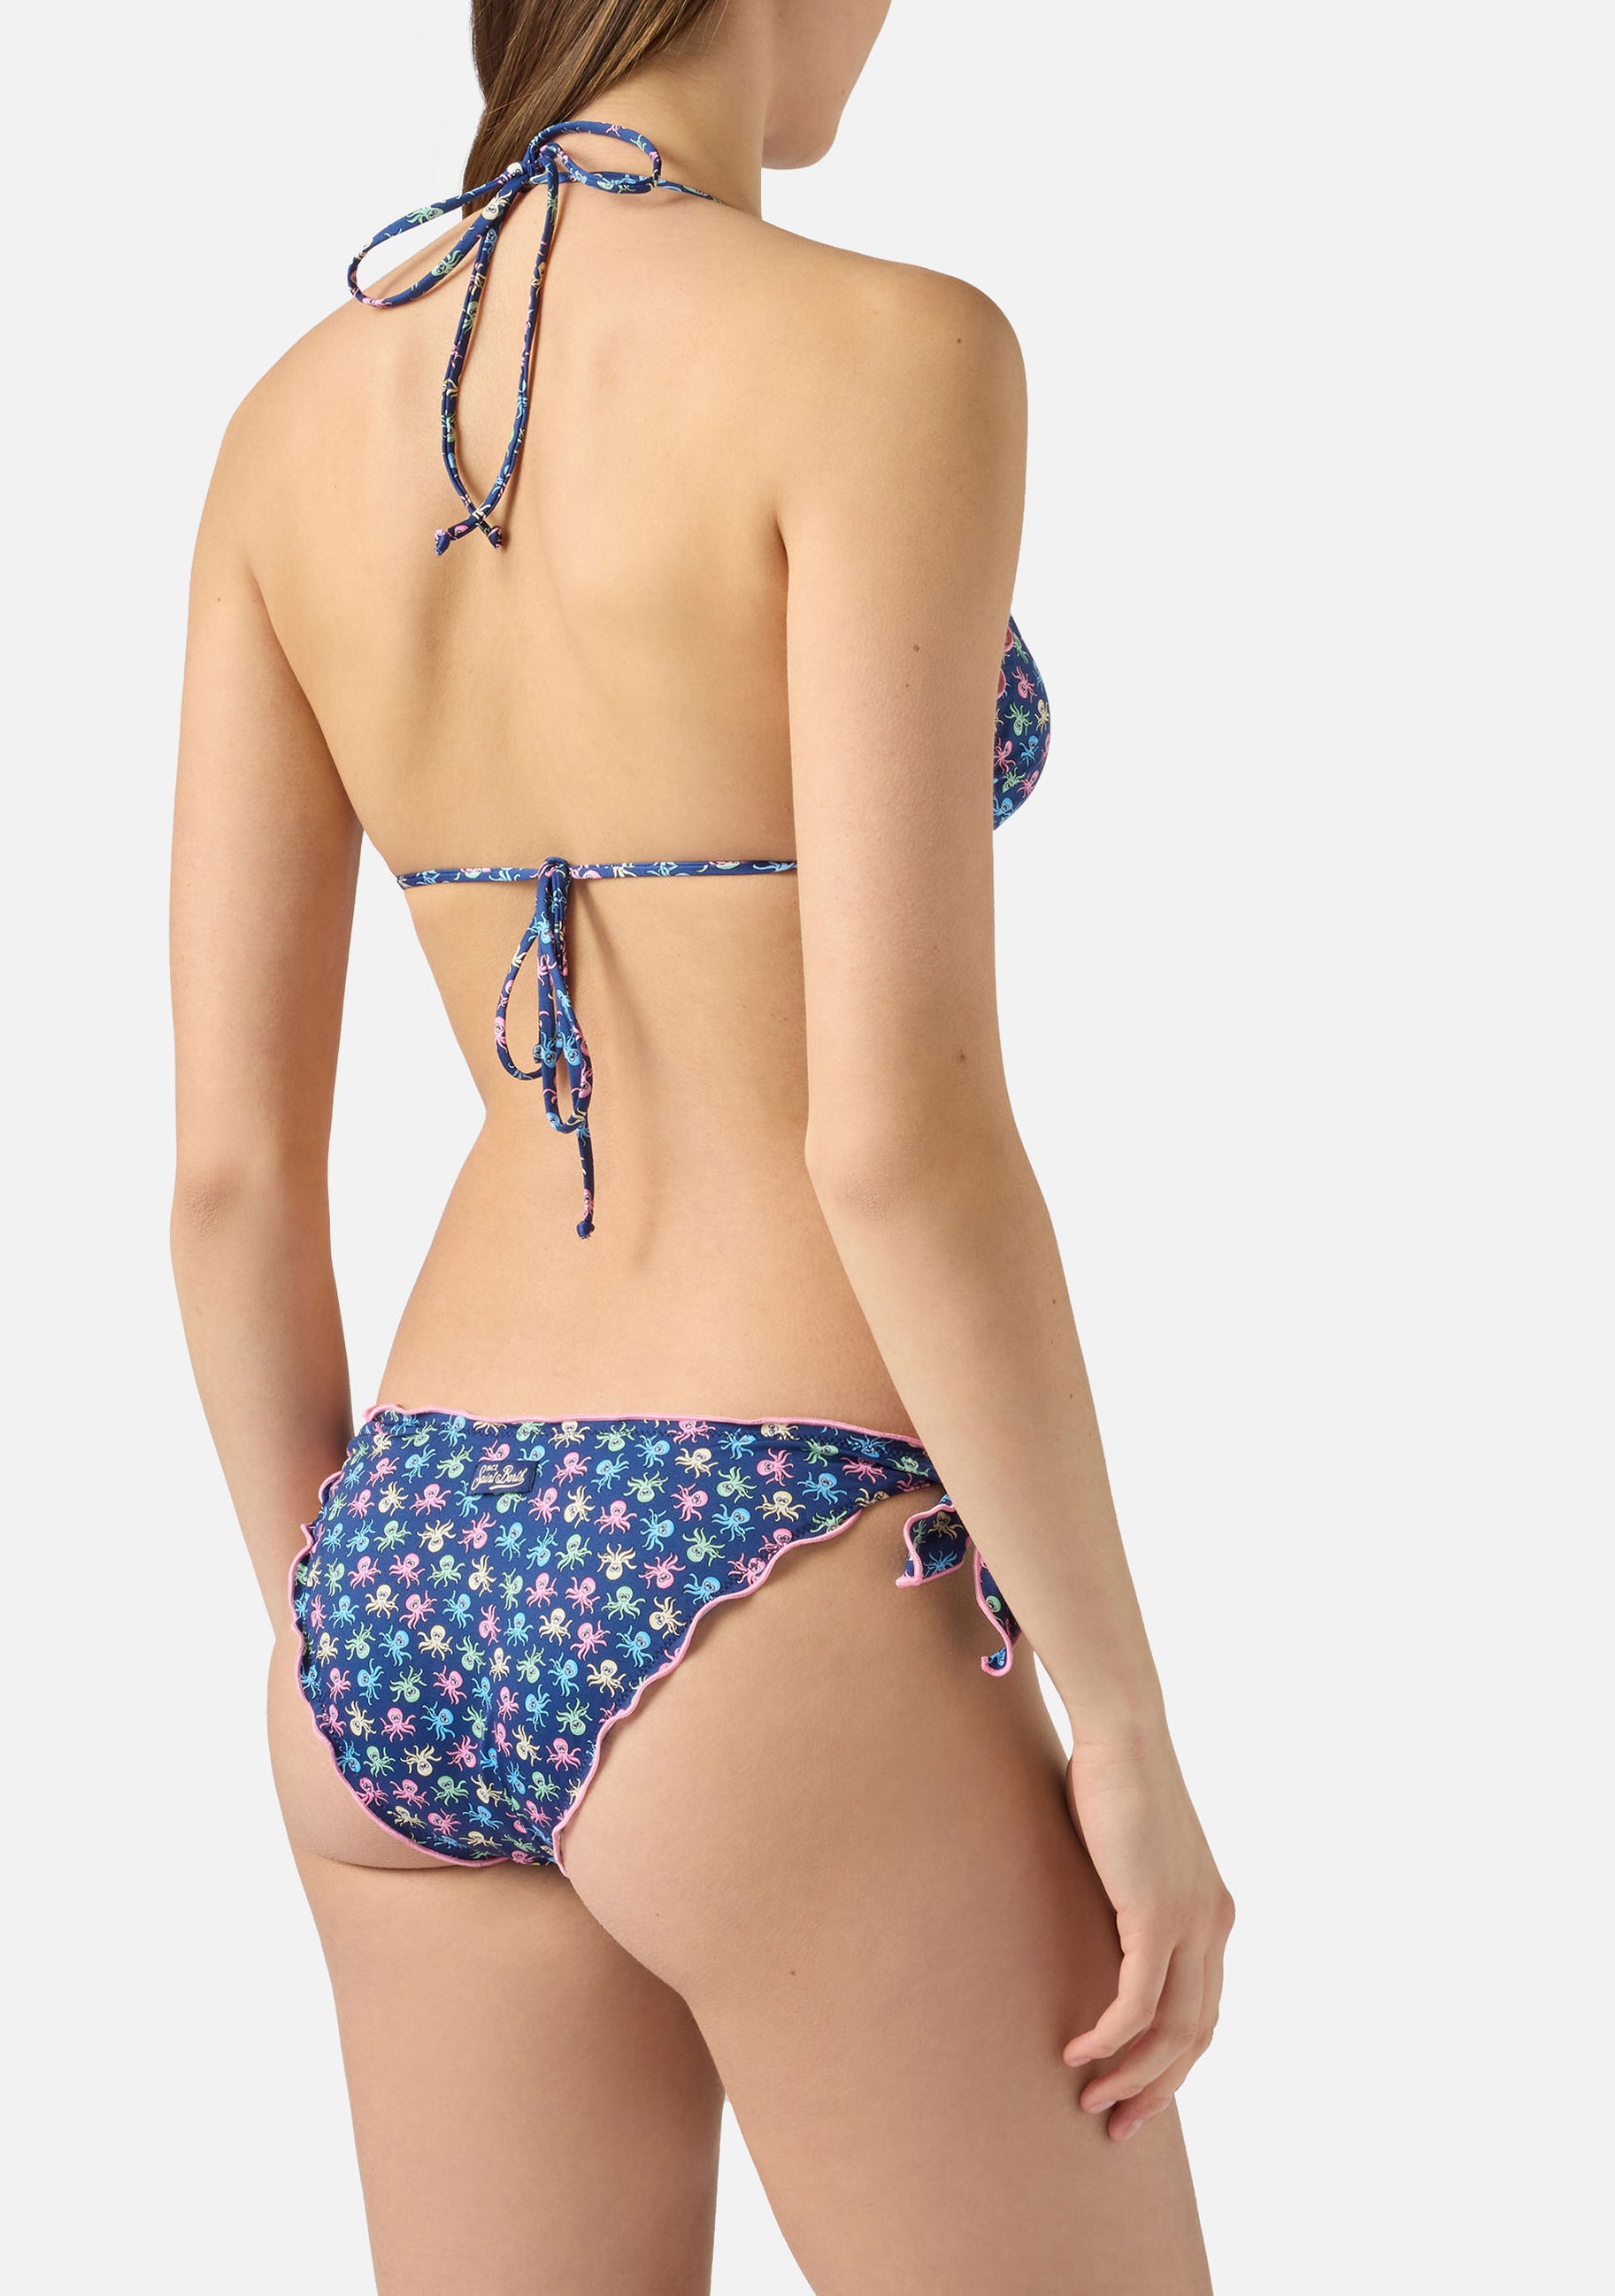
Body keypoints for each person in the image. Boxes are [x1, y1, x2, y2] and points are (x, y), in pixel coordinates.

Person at [170, 3, 1233, 2287]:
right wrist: (1125, 1722)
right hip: (764, 1546)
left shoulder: (286, 425)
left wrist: (350, 1647)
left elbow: (229, 1182)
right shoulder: (888, 358)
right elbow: (900, 1143)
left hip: (401, 1570)